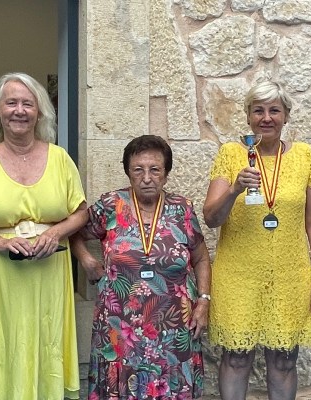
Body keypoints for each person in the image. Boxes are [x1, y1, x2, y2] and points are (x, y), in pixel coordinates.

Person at [0, 72, 88, 399]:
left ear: (39, 112)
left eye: (27, 104)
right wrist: (0, 243)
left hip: (49, 273)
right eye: (11, 103)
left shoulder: (60, 159)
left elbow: (81, 212)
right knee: (2, 344)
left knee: (46, 342)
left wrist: (55, 232)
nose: (19, 110)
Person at [202, 80, 311, 399]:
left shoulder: (304, 156)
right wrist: (234, 190)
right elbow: (211, 218)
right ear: (248, 117)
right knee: (236, 358)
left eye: (275, 110)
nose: (266, 117)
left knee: (284, 360)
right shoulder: (232, 154)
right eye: (258, 110)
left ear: (286, 116)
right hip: (239, 276)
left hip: (289, 275)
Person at [71, 135, 211, 399]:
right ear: (128, 172)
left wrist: (203, 302)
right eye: (138, 170)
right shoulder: (111, 205)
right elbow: (73, 231)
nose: (147, 178)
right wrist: (86, 259)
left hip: (173, 329)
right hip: (120, 326)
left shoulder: (182, 209)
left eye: (155, 170)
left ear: (166, 174)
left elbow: (201, 258)